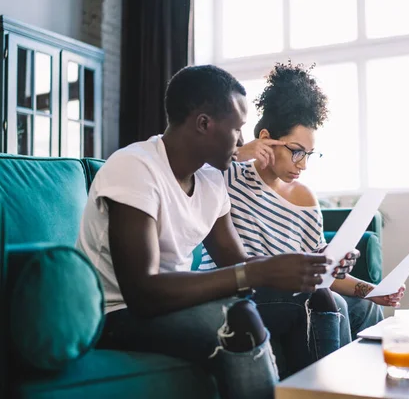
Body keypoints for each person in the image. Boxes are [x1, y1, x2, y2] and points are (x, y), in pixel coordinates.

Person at [75, 65, 352, 399]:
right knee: (240, 320)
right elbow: (142, 292)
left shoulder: (209, 180)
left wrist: (304, 268)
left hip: (175, 305)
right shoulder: (134, 167)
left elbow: (236, 262)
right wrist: (258, 270)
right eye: (236, 130)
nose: (241, 142)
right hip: (116, 315)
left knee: (317, 298)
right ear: (204, 124)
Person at [198, 62, 405, 345]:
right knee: (333, 304)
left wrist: (371, 289)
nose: (303, 165)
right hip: (244, 293)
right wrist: (236, 153)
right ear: (266, 140)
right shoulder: (226, 174)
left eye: (309, 154)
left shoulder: (305, 199)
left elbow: (320, 276)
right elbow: (185, 167)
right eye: (296, 152)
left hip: (296, 292)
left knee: (366, 306)